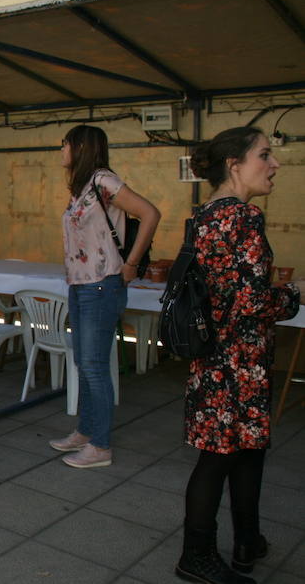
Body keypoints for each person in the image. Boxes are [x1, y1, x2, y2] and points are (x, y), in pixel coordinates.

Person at [174, 127, 302, 584]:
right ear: (234, 164)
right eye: (264, 155)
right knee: (220, 458)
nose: (274, 165)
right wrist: (292, 295)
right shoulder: (243, 217)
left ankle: (248, 541)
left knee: (246, 451)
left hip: (216, 357)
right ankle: (197, 555)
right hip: (237, 361)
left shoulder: (205, 214)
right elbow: (251, 303)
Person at [48, 125, 160, 468]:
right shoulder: (82, 187)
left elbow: (150, 213)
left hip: (102, 285)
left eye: (65, 144)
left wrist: (131, 264)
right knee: (84, 362)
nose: (62, 150)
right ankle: (86, 431)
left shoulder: (103, 181)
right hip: (81, 285)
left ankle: (101, 445)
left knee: (95, 367)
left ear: (80, 147)